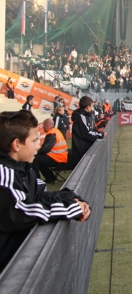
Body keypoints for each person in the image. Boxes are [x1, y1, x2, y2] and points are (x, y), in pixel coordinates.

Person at [0, 110, 91, 272]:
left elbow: (41, 196)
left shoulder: (24, 169)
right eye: (35, 140)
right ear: (16, 144)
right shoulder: (3, 173)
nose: (38, 145)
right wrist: (69, 209)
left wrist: (71, 198)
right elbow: (20, 212)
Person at [70, 96, 105, 168]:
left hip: (83, 148)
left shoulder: (85, 116)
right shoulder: (81, 117)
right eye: (91, 106)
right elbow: (87, 133)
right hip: (81, 149)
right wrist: (101, 135)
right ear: (87, 107)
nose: (92, 108)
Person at [32, 118, 68, 184]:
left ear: (47, 126)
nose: (42, 127)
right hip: (61, 157)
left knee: (35, 158)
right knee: (40, 160)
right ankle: (50, 178)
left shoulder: (51, 134)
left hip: (57, 158)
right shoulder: (56, 131)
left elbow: (44, 149)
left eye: (43, 126)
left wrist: (35, 151)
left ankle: (37, 180)